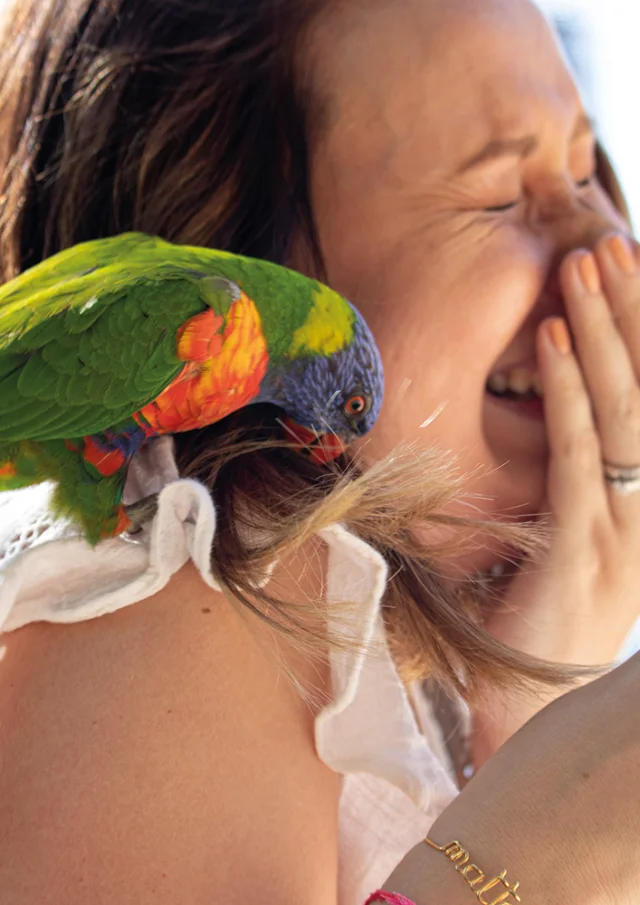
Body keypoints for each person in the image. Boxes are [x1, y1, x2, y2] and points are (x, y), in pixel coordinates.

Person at [0, 0, 639, 902]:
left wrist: (523, 720)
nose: (608, 247)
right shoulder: (200, 585)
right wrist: (527, 859)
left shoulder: (418, 685)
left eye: (588, 172)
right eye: (498, 196)